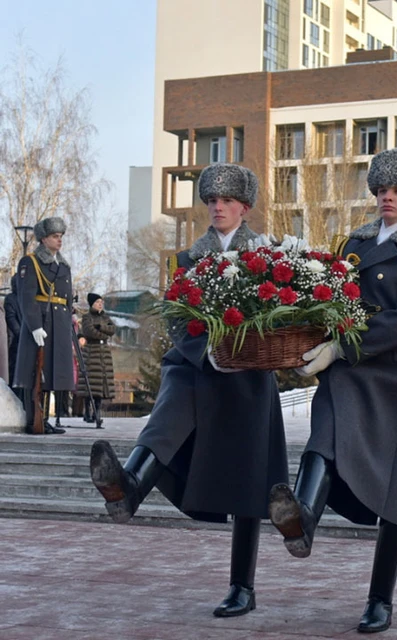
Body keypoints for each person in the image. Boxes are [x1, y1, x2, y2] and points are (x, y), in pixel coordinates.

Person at [89, 162, 288, 617]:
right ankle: (128, 488)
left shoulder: (270, 257)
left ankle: (243, 586)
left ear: (245, 207)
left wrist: (241, 354)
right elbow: (177, 319)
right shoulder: (187, 259)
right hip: (198, 365)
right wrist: (208, 355)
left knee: (248, 479)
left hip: (248, 377)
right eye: (212, 201)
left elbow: (280, 316)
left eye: (227, 201)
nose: (218, 208)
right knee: (167, 416)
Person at [267, 148, 397, 634]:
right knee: (323, 436)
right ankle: (302, 518)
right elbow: (327, 298)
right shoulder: (355, 243)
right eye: (381, 190)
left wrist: (341, 346)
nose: (387, 197)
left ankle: (379, 600)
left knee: (395, 494)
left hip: (393, 376)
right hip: (347, 369)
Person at [13, 217, 74, 435]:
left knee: (51, 372)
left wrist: (70, 321)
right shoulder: (30, 262)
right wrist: (35, 325)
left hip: (59, 323)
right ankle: (33, 419)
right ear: (44, 238)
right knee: (35, 372)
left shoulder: (63, 265)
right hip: (41, 321)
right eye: (55, 237)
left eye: (61, 237)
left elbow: (67, 298)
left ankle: (45, 419)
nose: (59, 241)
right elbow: (26, 297)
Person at [78, 293, 115, 427]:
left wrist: (101, 327)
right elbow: (89, 331)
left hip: (103, 353)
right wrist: (103, 333)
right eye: (98, 302)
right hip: (91, 352)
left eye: (101, 302)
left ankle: (97, 412)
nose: (100, 304)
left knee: (101, 385)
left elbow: (113, 328)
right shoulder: (87, 317)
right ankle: (87, 411)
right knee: (91, 384)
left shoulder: (105, 317)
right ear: (92, 303)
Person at [6, 277, 21, 387]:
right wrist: (22, 335)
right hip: (16, 343)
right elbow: (11, 319)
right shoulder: (11, 299)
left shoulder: (28, 298)